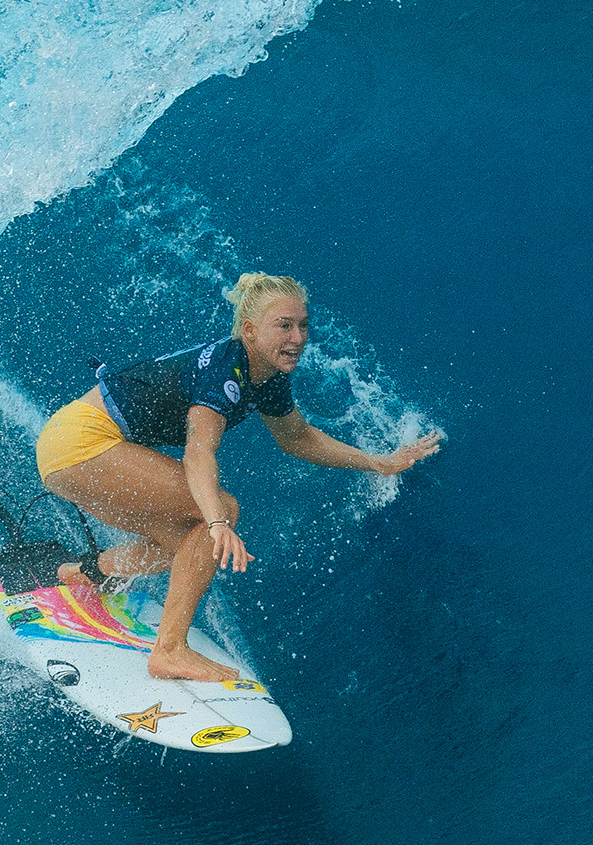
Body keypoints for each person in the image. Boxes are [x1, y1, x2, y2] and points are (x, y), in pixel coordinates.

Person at [33, 272, 443, 683]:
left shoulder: (268, 377)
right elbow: (199, 450)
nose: (298, 337)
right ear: (250, 330)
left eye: (303, 325)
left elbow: (298, 438)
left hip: (72, 450)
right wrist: (215, 519)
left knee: (186, 549)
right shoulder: (225, 372)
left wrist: (379, 463)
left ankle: (87, 573)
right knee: (221, 513)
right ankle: (170, 650)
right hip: (80, 443)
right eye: (284, 325)